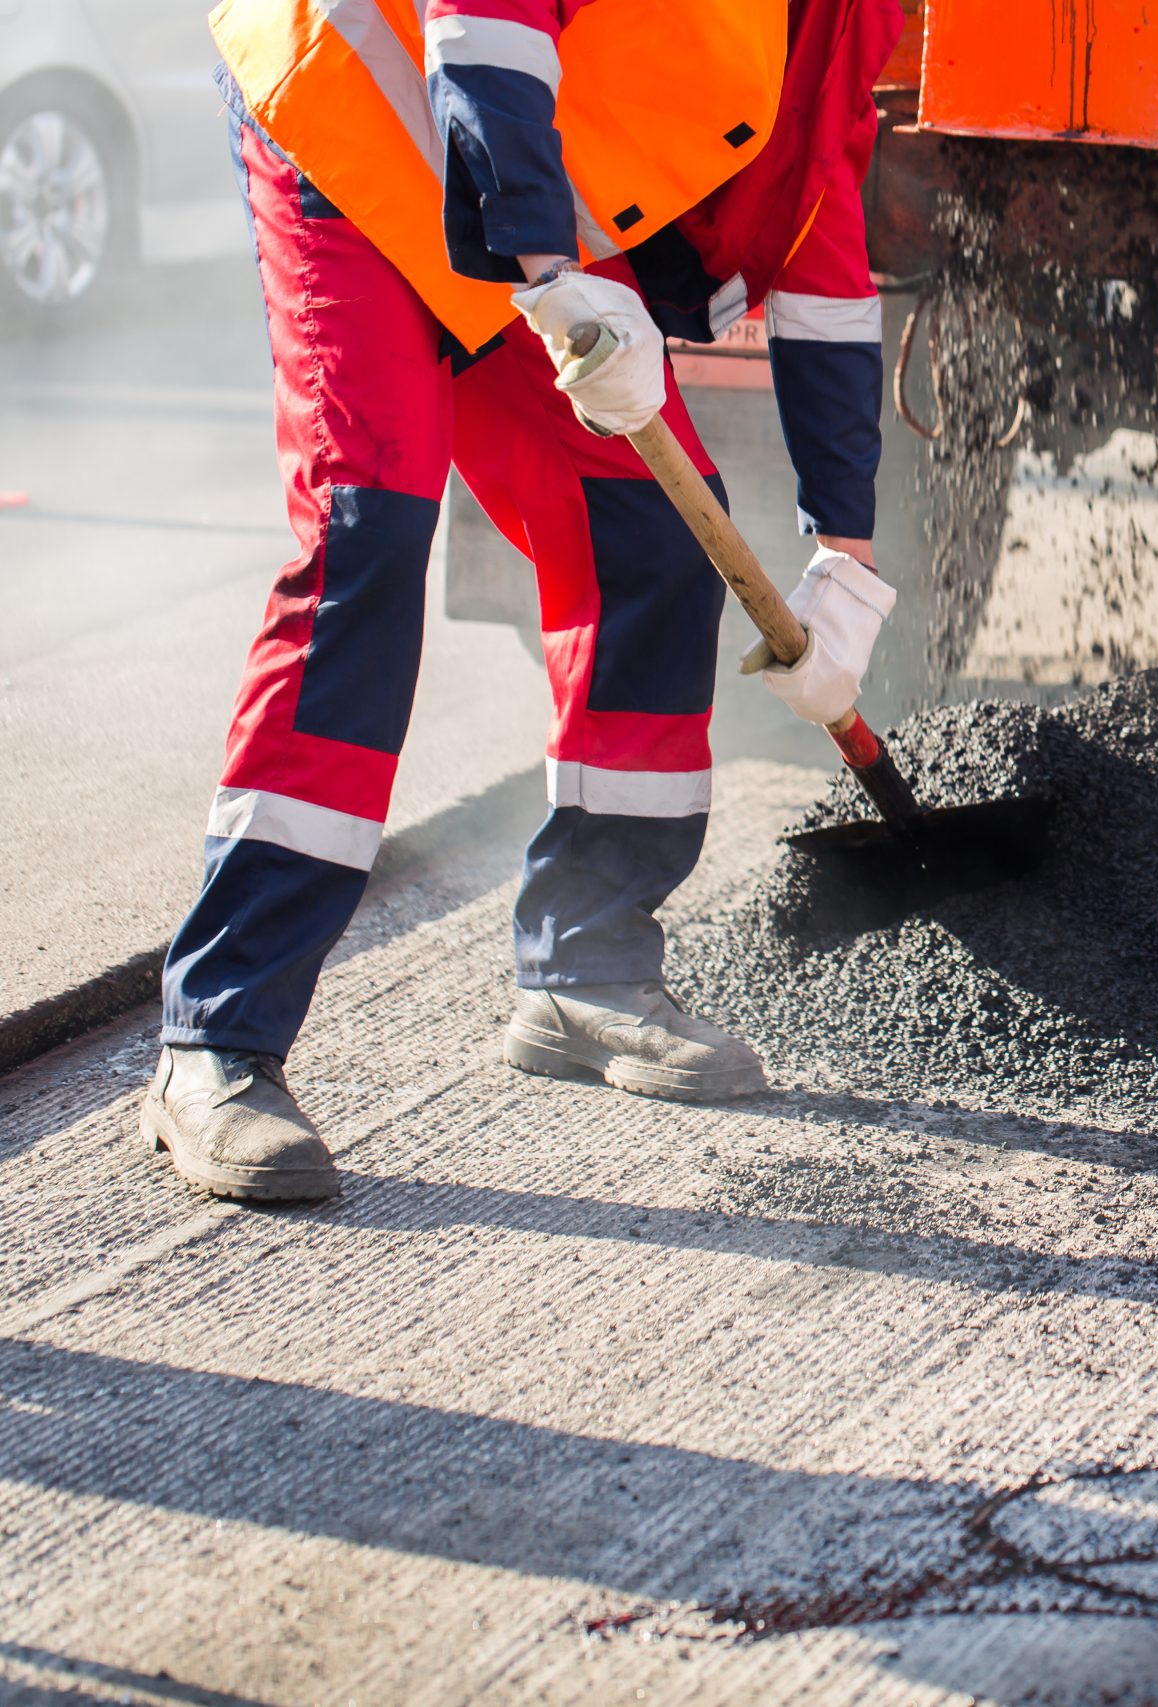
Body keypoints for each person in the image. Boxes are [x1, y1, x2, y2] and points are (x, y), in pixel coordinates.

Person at [143, 0, 908, 1203]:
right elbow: (484, 24)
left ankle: (585, 965)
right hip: (352, 115)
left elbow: (824, 255)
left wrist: (845, 559)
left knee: (653, 533)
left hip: (508, 190)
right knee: (369, 535)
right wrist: (551, 275)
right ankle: (217, 1043)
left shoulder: (843, 14)